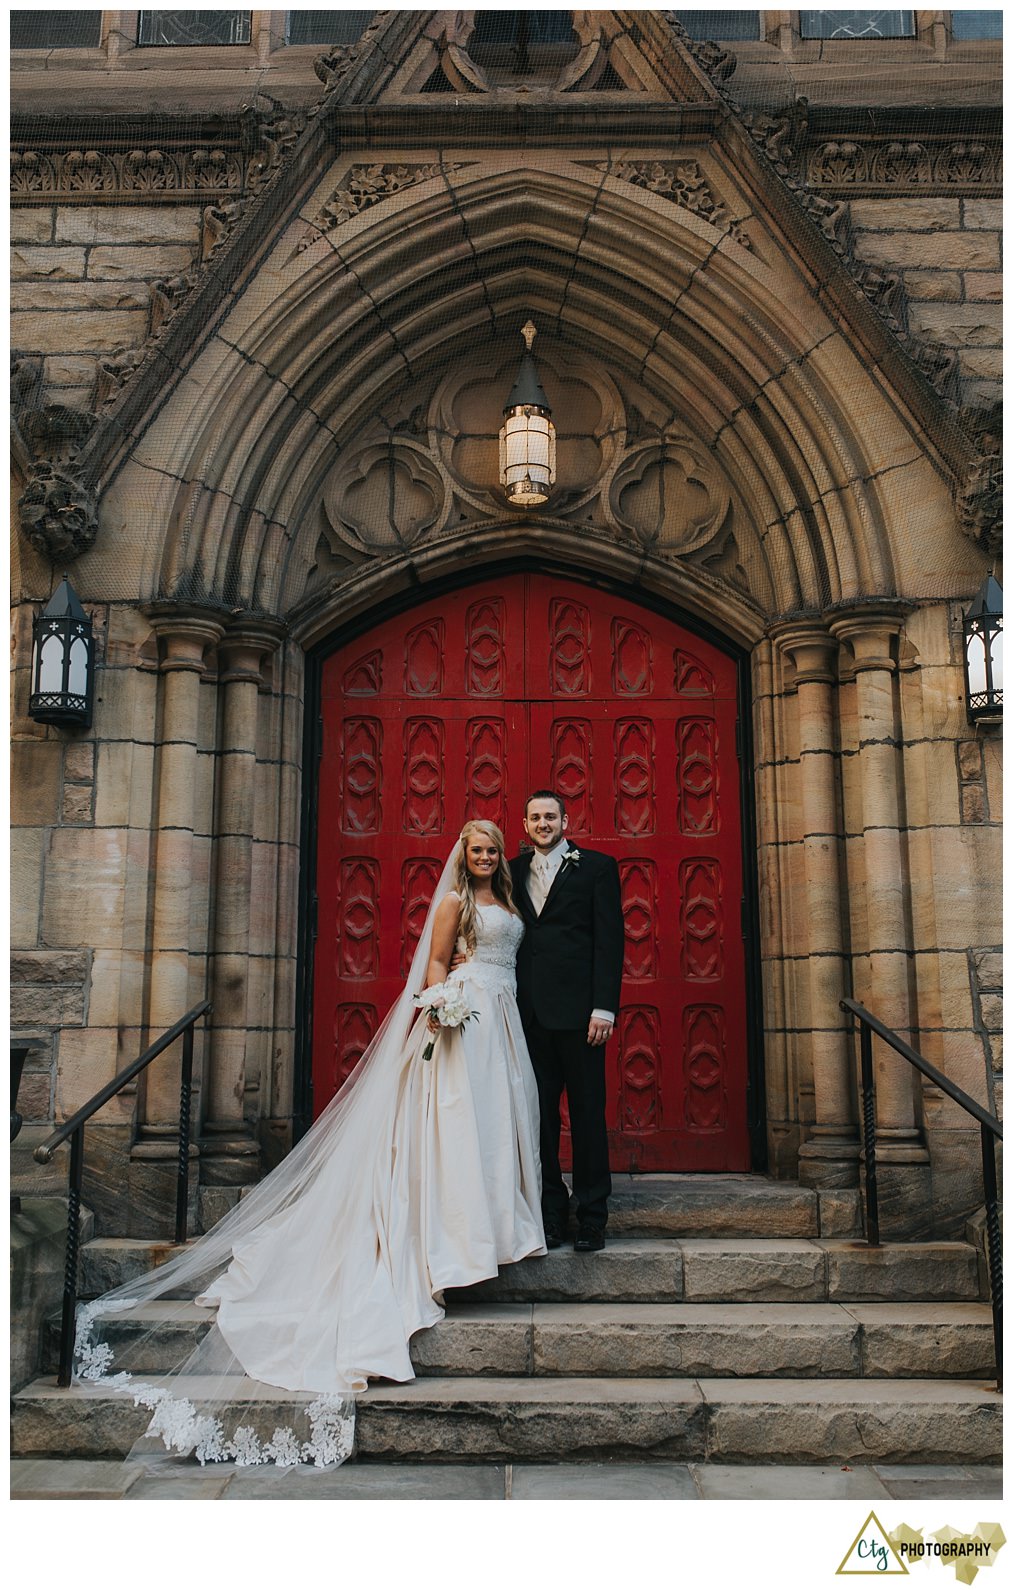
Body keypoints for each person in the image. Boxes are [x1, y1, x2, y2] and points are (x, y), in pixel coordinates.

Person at [74, 820, 544, 1469]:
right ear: (463, 856)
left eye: (493, 849)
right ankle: (455, 1242)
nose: (486, 857)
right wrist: (440, 1006)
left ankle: (497, 1229)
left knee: (495, 1131)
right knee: (460, 1133)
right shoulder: (453, 904)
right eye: (476, 849)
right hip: (467, 1021)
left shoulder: (508, 904)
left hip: (505, 1020)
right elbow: (435, 965)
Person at [510, 790, 623, 1252]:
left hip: (581, 1018)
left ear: (565, 820)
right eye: (535, 816)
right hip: (529, 1016)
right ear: (524, 824)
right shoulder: (510, 871)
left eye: (550, 816)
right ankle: (550, 1216)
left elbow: (609, 942)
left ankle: (593, 1217)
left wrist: (604, 1007)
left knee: (587, 1117)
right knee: (538, 1123)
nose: (543, 823)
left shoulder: (596, 867)